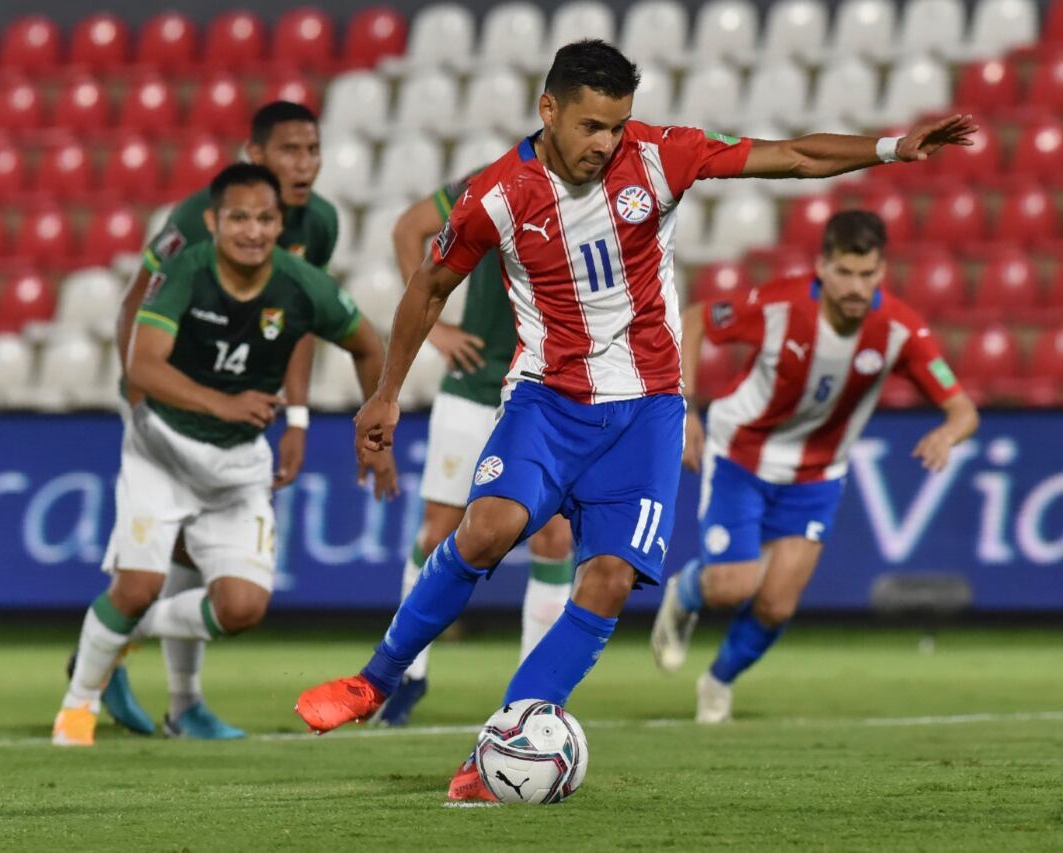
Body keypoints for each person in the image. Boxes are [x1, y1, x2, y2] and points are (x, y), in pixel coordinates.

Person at [291, 39, 976, 801]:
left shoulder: (661, 156)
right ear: (547, 109)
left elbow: (792, 156)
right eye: (590, 126)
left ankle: (504, 744)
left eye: (616, 126)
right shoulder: (496, 195)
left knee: (611, 578)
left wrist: (889, 148)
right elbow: (429, 286)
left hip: (647, 411)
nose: (604, 144)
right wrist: (385, 392)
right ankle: (374, 680)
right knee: (486, 527)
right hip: (547, 399)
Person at [52, 164, 395, 747]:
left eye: (265, 219)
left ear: (278, 223)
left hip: (236, 467)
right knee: (136, 584)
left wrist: (375, 431)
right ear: (214, 221)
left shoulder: (301, 284)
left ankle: (115, 633)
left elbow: (368, 344)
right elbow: (143, 364)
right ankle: (76, 711)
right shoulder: (185, 273)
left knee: (241, 608)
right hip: (162, 451)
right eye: (239, 217)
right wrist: (223, 403)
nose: (253, 231)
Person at [650, 211, 980, 723]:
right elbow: (695, 319)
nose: (856, 286)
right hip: (742, 453)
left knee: (777, 605)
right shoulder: (779, 305)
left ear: (882, 271)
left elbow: (963, 410)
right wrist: (686, 406)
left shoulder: (899, 329)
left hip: (817, 475)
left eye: (867, 274)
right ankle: (687, 592)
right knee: (733, 586)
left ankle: (717, 681)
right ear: (822, 266)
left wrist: (946, 433)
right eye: (845, 272)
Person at [95, 100, 339, 740]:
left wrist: (301, 419)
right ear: (254, 157)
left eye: (312, 149)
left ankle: (167, 689)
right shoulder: (194, 218)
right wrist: (139, 395)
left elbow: (299, 321)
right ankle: (161, 683)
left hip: (235, 409)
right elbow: (134, 301)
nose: (305, 163)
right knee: (175, 548)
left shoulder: (319, 224)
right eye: (289, 150)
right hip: (168, 402)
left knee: (200, 556)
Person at [374, 175, 576, 727]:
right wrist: (435, 329)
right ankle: (406, 675)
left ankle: (536, 697)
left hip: (547, 395)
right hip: (473, 385)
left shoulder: (599, 193)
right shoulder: (497, 182)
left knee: (556, 536)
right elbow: (408, 228)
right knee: (439, 529)